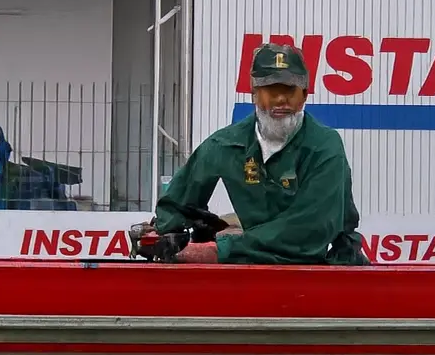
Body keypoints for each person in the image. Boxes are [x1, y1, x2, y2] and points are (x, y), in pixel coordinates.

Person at [150, 42, 367, 265]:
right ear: (254, 93)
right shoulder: (225, 144)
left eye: (289, 90)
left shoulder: (324, 146)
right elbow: (177, 202)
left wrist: (221, 249)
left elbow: (312, 228)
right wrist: (166, 234)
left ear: (304, 95)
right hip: (252, 266)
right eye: (271, 90)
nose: (281, 99)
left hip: (317, 270)